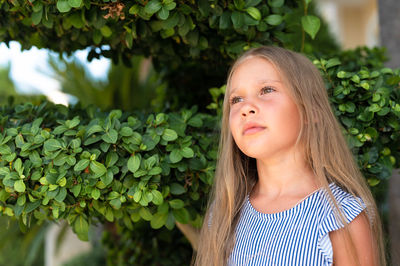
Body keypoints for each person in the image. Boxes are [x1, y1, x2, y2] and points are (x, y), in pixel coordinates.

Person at [193, 46, 385, 265]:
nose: (246, 108)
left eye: (266, 90)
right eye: (236, 100)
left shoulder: (340, 218)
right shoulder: (223, 215)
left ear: (310, 110)